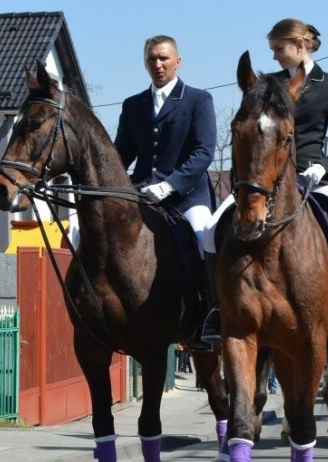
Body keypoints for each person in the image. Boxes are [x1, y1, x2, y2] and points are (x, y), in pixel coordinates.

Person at [200, 18, 328, 342]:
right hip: (266, 178)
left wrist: (323, 167)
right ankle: (216, 310)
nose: (275, 56)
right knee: (210, 231)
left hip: (314, 176)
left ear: (299, 46)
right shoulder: (265, 85)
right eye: (272, 50)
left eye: (279, 49)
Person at [113, 34, 217, 351]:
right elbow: (121, 155)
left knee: (204, 237)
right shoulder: (133, 105)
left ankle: (209, 316)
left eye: (163, 58)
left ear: (177, 61)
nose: (158, 64)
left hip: (187, 196)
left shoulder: (199, 100)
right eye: (152, 59)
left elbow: (203, 153)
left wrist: (171, 184)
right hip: (143, 194)